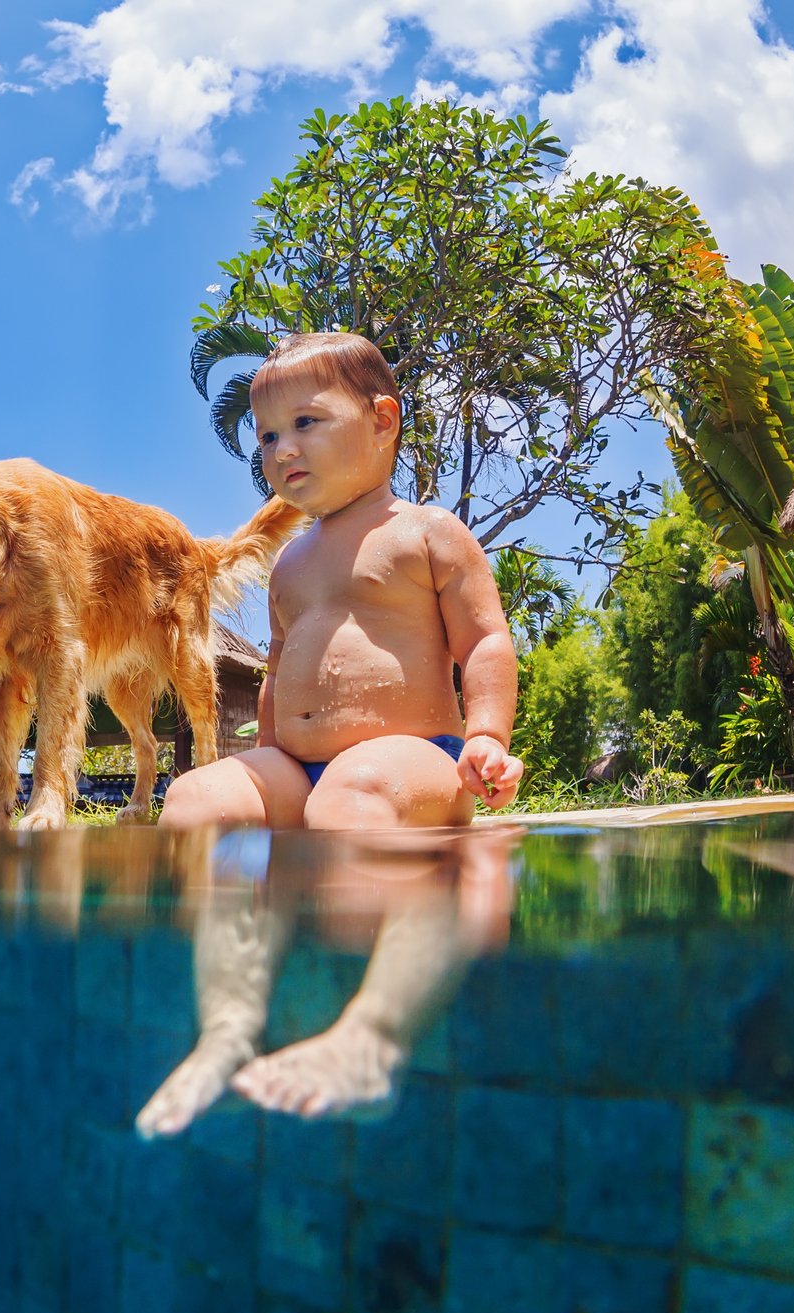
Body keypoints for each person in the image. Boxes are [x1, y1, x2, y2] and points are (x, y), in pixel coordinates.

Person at [140, 330, 527, 1135]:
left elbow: (485, 639)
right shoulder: (289, 565)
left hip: (415, 766)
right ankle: (228, 1025)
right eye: (267, 436)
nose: (281, 450)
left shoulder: (425, 533)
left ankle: (370, 1035)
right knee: (197, 804)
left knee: (351, 799)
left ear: (382, 420)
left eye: (305, 423)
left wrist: (488, 734)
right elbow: (278, 673)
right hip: (300, 769)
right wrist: (263, 763)